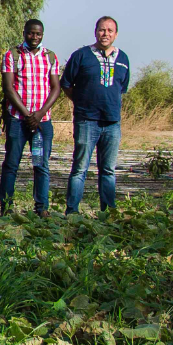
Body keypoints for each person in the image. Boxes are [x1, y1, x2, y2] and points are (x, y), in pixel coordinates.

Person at [62, 16, 130, 215]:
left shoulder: (123, 59)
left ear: (116, 34)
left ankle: (108, 213)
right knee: (80, 169)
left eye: (110, 31)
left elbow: (122, 87)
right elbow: (66, 83)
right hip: (86, 121)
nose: (105, 34)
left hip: (112, 123)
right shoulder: (82, 55)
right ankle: (72, 212)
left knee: (108, 170)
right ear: (95, 32)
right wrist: (82, 101)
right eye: (102, 30)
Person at [0, 19, 62, 217]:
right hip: (18, 120)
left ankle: (41, 208)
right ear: (24, 32)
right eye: (31, 33)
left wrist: (40, 114)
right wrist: (28, 115)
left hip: (42, 123)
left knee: (40, 164)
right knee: (12, 164)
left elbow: (56, 87)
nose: (34, 37)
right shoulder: (13, 55)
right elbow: (9, 89)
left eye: (38, 34)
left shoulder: (50, 57)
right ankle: (7, 208)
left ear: (42, 34)